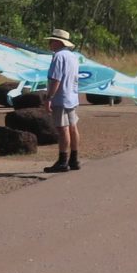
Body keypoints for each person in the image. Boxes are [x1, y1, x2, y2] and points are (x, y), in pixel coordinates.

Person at [43, 29, 82, 173]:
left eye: (51, 40)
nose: (49, 43)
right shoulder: (73, 57)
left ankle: (62, 160)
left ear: (58, 42)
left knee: (62, 128)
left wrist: (49, 97)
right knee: (73, 127)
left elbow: (55, 79)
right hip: (72, 96)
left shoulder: (58, 57)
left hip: (61, 97)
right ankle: (74, 158)